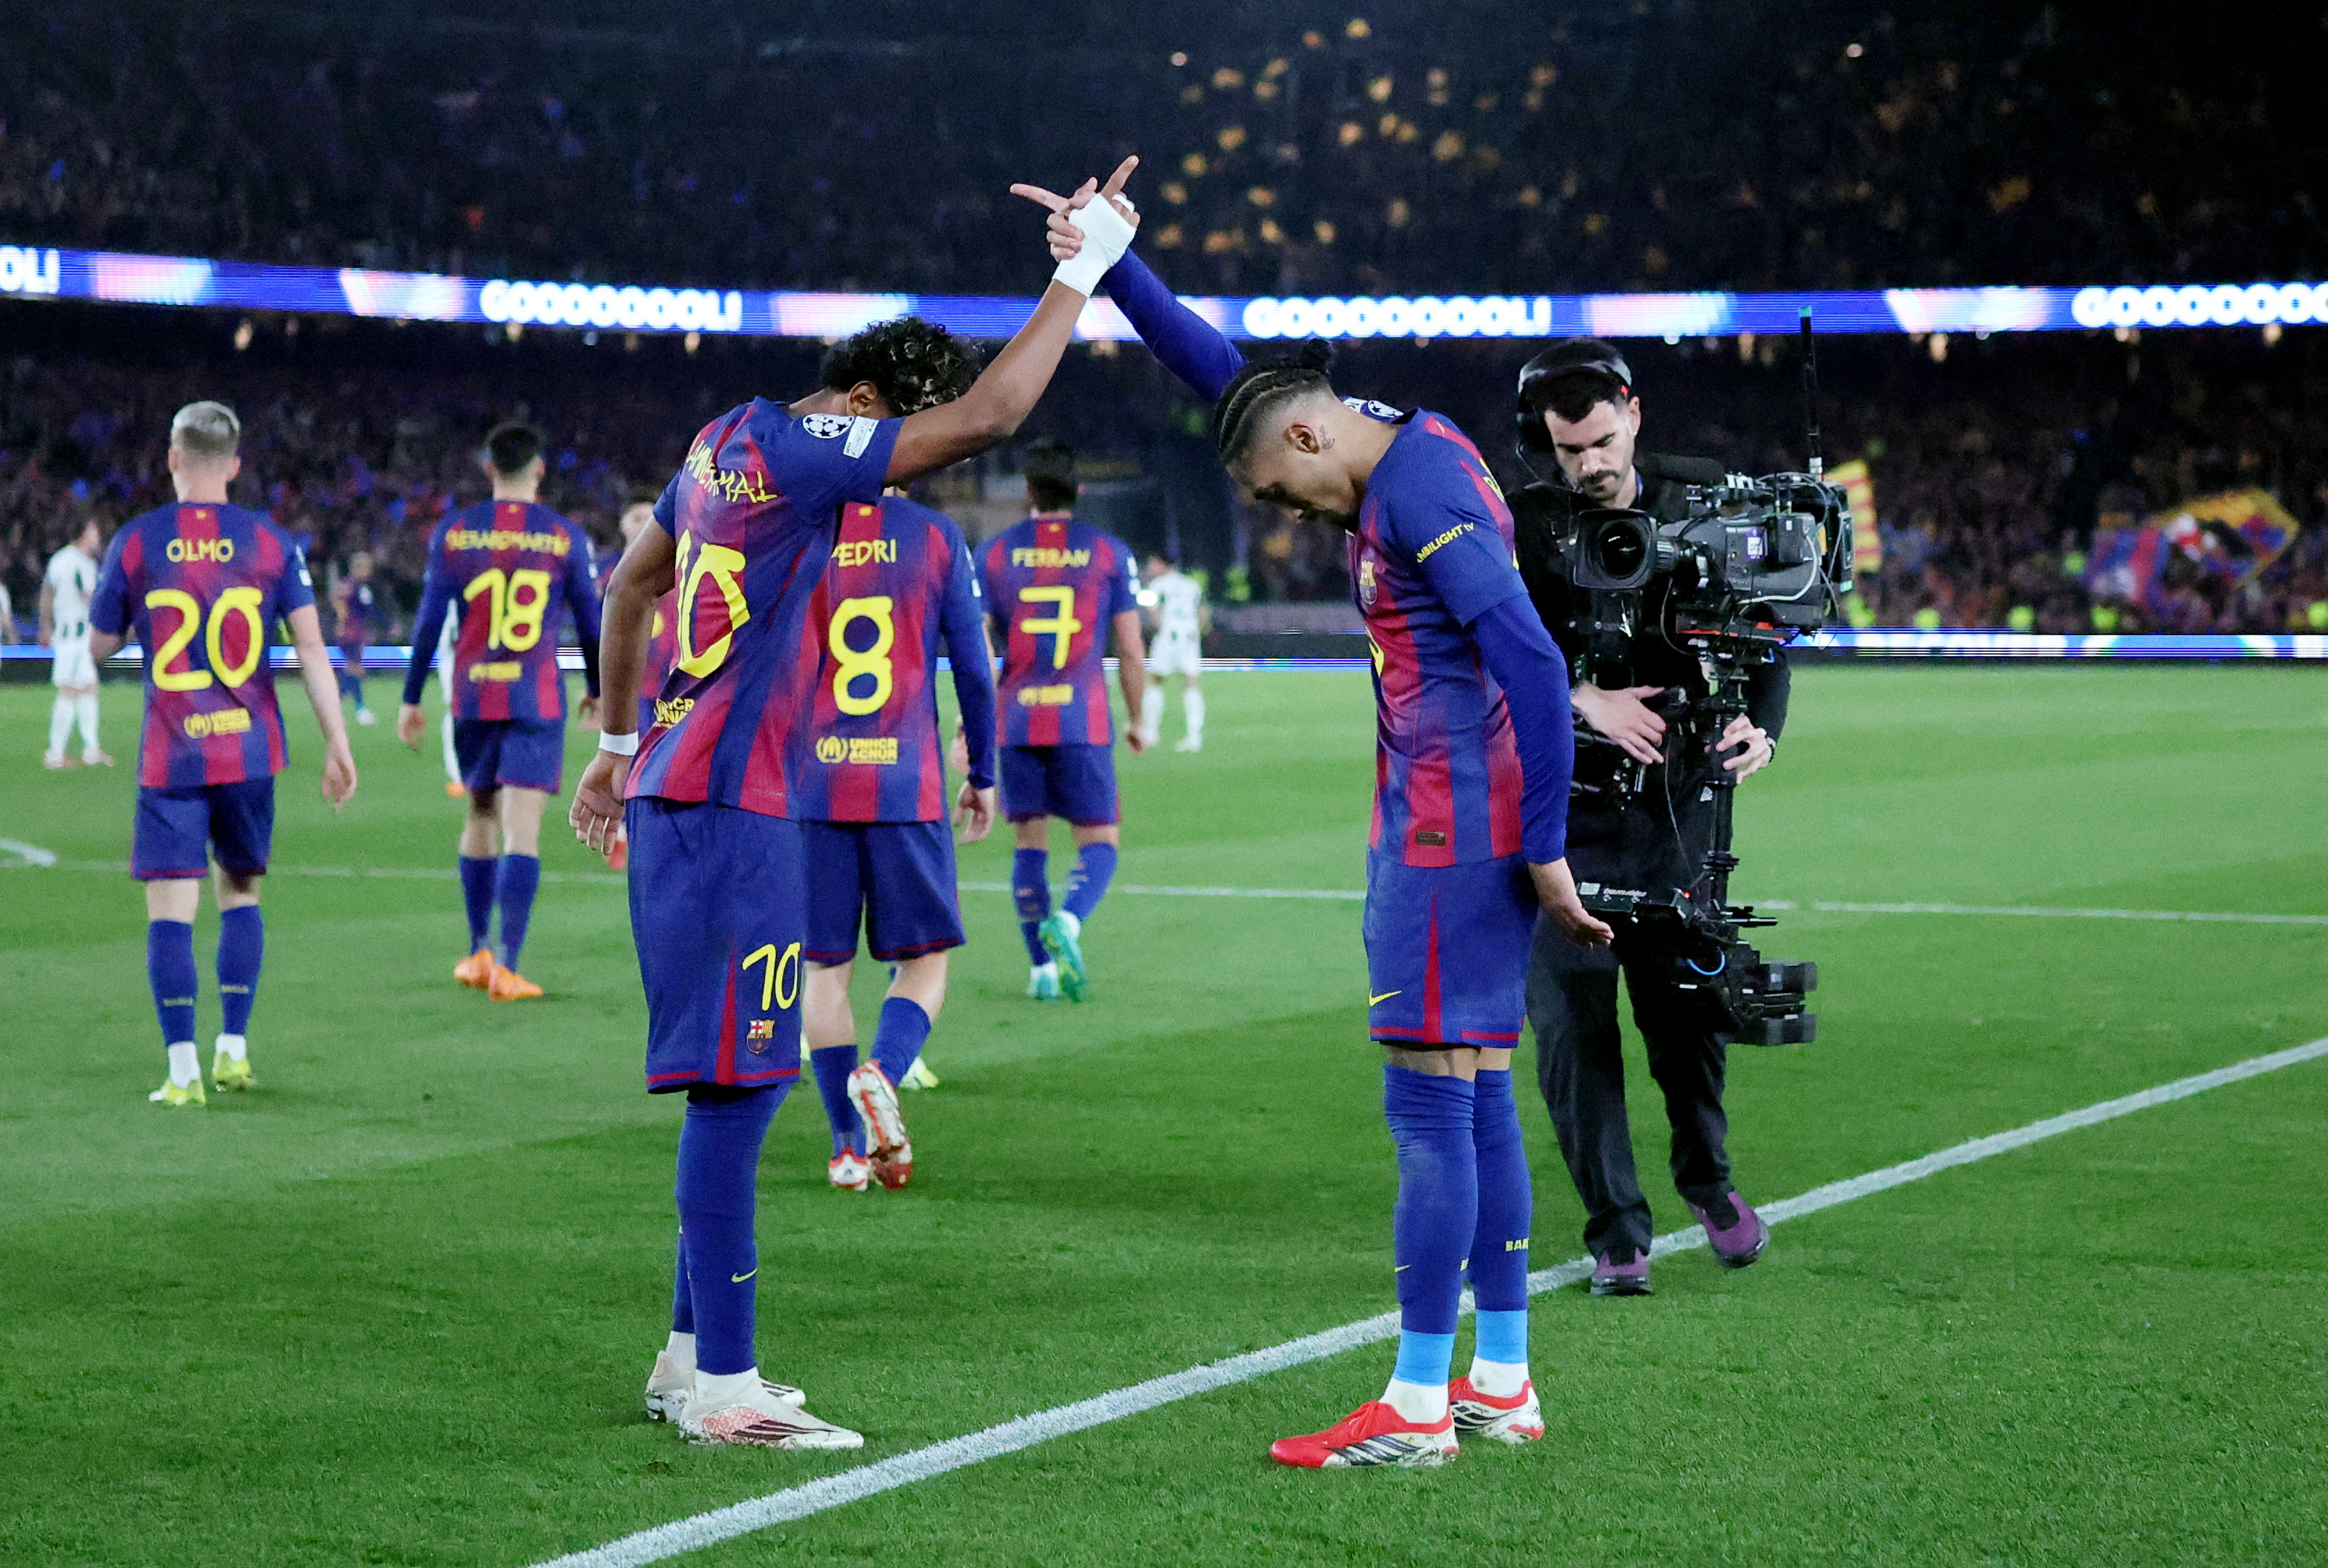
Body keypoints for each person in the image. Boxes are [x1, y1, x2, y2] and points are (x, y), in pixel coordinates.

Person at [566, 156, 1141, 1450]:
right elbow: (991, 414)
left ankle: (685, 1357)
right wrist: (1083, 273)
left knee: (745, 1079)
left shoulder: (721, 437)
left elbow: (627, 586)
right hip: (732, 801)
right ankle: (724, 1387)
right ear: (870, 405)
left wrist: (611, 746)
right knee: (735, 1093)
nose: (899, 477)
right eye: (897, 444)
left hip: (697, 786)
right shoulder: (806, 443)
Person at [1041, 182, 1608, 1467]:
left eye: (1279, 494)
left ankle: (1413, 1405)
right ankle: (1500, 1379)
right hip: (1459, 815)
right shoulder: (1394, 438)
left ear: (1307, 439)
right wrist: (1119, 268)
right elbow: (1232, 380)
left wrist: (1545, 844)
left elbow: (1529, 656)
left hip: (1446, 830)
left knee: (1428, 1111)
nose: (1289, 517)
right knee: (1478, 1096)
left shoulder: (1411, 496)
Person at [1506, 340, 1789, 1297]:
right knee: (1571, 1031)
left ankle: (1706, 1181)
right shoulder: (1520, 524)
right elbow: (1483, 645)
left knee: (1687, 1023)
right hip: (1558, 820)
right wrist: (1578, 695)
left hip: (1676, 817)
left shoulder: (1704, 501)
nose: (1586, 464)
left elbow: (1766, 641)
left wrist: (1760, 729)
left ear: (1633, 414)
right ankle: (1616, 1234)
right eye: (1565, 449)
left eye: (1598, 440)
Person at [84, 401, 359, 1104]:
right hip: (249, 752)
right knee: (240, 894)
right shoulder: (270, 542)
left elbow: (99, 645)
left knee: (170, 913)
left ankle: (181, 1071)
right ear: (234, 464)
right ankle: (233, 1049)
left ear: (172, 458)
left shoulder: (138, 542)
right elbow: (310, 649)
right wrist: (337, 740)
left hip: (172, 755)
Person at [793, 353, 1000, 1189]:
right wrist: (982, 770)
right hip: (904, 782)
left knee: (822, 971)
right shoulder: (936, 538)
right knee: (924, 960)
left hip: (812, 784)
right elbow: (975, 671)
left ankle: (848, 1148)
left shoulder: (799, 530)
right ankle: (883, 1067)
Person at [396, 423, 603, 1002]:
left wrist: (411, 697)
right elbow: (591, 622)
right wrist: (597, 688)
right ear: (539, 469)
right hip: (535, 694)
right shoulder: (564, 536)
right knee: (523, 829)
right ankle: (509, 965)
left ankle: (477, 951)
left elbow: (429, 621)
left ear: (489, 468)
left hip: (474, 693)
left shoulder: (456, 532)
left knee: (479, 814)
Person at [978, 438, 1146, 1003]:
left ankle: (1040, 972)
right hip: (1081, 719)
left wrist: (968, 727)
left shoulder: (994, 553)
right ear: (1079, 489)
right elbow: (1130, 649)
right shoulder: (1107, 552)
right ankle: (1069, 920)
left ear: (1027, 491)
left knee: (1029, 845)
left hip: (1016, 719)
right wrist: (1138, 718)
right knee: (1099, 843)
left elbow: (979, 652)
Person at [41, 516, 113, 768]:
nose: (97, 535)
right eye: (93, 530)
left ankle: (91, 749)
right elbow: (90, 598)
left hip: (70, 636)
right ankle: (55, 754)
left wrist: (45, 627)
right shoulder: (82, 563)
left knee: (89, 687)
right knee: (69, 690)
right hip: (75, 637)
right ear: (84, 533)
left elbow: (47, 593)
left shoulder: (59, 559)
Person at [1137, 552, 1209, 751]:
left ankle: (1151, 733)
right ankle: (1194, 737)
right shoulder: (1191, 585)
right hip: (1189, 635)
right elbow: (1204, 612)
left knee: (1156, 680)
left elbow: (1154, 614)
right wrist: (1196, 633)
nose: (1151, 568)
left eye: (1154, 564)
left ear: (1163, 564)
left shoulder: (1158, 586)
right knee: (1191, 683)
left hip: (1169, 635)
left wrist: (1161, 632)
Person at [330, 550, 383, 726]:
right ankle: (356, 709)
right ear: (357, 568)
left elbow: (336, 603)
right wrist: (387, 624)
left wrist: (340, 623)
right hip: (353, 634)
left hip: (346, 633)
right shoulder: (359, 587)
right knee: (355, 670)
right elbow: (370, 611)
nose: (369, 571)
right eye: (366, 567)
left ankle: (339, 706)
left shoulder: (346, 585)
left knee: (354, 670)